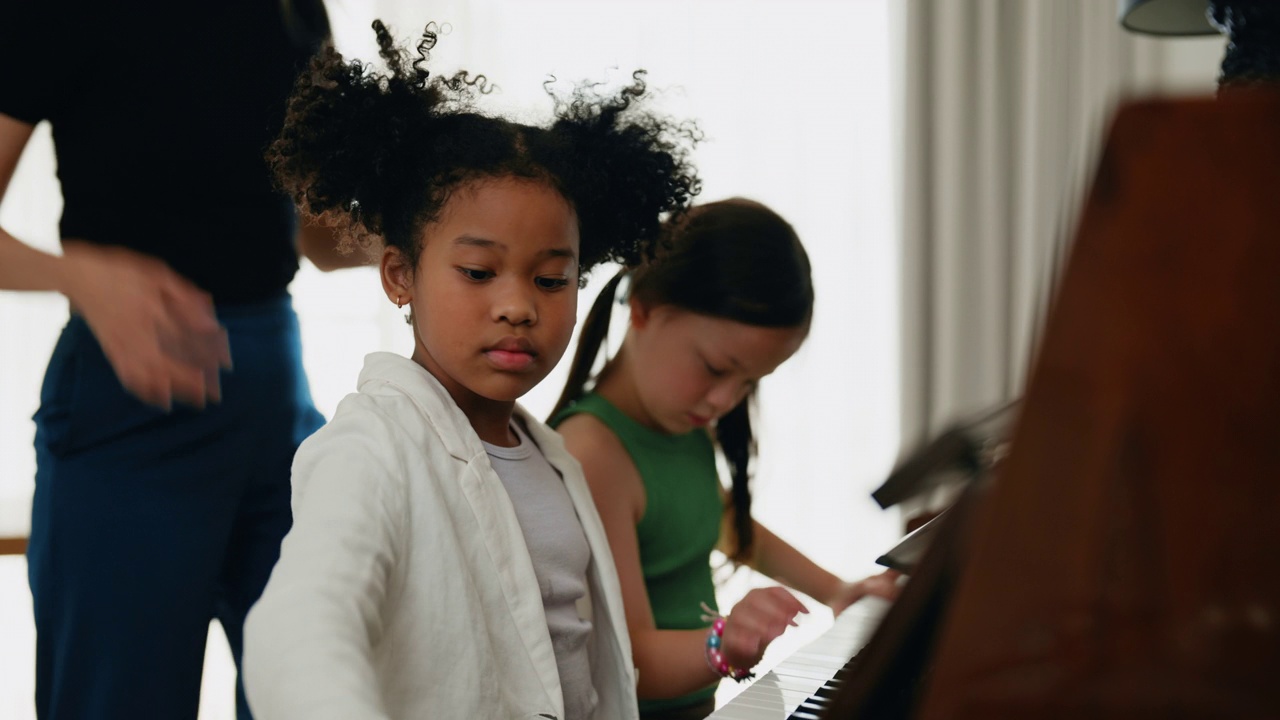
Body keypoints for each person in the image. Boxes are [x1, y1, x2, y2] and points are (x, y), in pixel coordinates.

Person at [240, 19, 700, 720]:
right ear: (400, 274)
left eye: (551, 280)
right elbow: (299, 626)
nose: (517, 306)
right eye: (479, 272)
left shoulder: (551, 458)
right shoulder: (369, 449)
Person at [0, 1, 354, 718]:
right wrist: (83, 275)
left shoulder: (295, 10)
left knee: (319, 695)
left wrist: (455, 244)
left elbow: (319, 233)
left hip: (277, 404)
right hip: (129, 406)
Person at [550, 198, 901, 719]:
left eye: (749, 382)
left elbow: (723, 525)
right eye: (716, 368)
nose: (724, 402)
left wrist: (837, 590)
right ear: (644, 309)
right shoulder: (593, 452)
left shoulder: (679, 423)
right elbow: (629, 660)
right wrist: (722, 642)